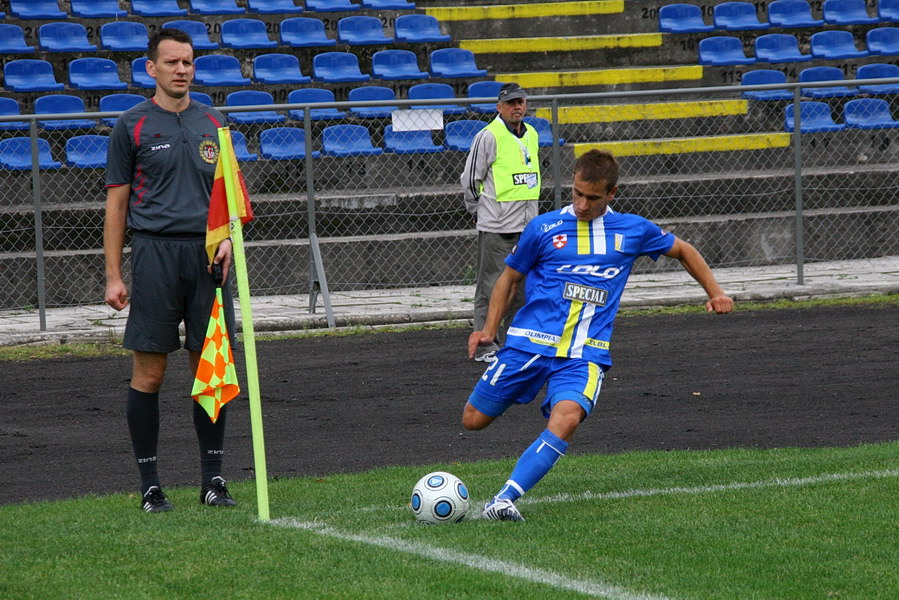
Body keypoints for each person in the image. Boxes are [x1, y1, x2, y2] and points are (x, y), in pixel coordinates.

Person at [464, 149, 734, 521]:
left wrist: (716, 292)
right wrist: (488, 331)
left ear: (612, 194)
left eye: (592, 197)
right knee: (473, 420)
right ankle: (519, 392)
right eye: (576, 193)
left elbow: (683, 250)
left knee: (567, 419)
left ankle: (504, 500)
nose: (582, 204)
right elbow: (509, 277)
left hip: (584, 355)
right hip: (529, 344)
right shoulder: (543, 228)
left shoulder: (633, 230)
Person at [104, 28, 237, 513]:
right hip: (155, 256)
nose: (182, 70)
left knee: (212, 371)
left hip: (208, 261)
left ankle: (213, 481)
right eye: (173, 62)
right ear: (151, 68)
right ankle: (150, 486)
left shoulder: (215, 122)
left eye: (189, 62)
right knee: (151, 373)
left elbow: (233, 199)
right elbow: (116, 206)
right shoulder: (131, 126)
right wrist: (114, 274)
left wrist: (225, 238)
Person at [461, 82, 542, 363]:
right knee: (491, 286)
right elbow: (471, 180)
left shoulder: (531, 133)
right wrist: (481, 211)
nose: (517, 107)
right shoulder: (488, 136)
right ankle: (486, 344)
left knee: (522, 288)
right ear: (499, 107)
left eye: (520, 101)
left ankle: (516, 342)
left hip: (526, 226)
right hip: (497, 226)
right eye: (511, 103)